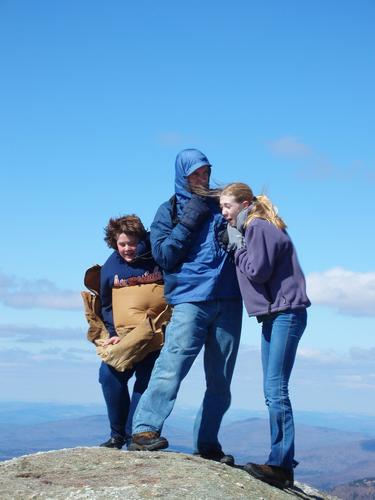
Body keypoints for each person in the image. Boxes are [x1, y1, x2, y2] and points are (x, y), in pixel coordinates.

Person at [129, 149, 243, 465]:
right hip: (191, 299)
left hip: (229, 298)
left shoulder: (225, 203)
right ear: (182, 175)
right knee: (171, 366)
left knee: (221, 379)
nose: (202, 178)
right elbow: (164, 256)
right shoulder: (170, 210)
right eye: (194, 174)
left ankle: (208, 444)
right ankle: (144, 430)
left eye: (205, 172)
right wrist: (190, 219)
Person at [220, 182, 311, 488]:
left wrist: (236, 247)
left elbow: (258, 270)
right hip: (276, 315)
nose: (224, 213)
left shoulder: (257, 227)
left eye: (227, 207)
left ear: (244, 204)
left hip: (286, 313)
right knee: (272, 390)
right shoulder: (256, 226)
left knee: (275, 391)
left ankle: (281, 465)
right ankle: (280, 461)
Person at [97, 215, 170, 449]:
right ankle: (117, 434)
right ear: (114, 243)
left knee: (146, 382)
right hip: (125, 336)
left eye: (132, 243)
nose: (128, 249)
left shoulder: (157, 257)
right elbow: (105, 303)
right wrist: (112, 331)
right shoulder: (111, 266)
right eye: (122, 244)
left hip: (156, 334)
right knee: (109, 376)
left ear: (141, 240)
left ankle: (134, 437)